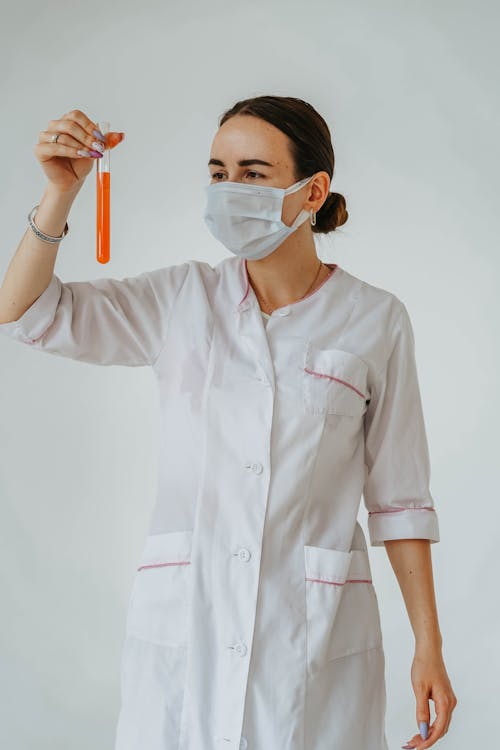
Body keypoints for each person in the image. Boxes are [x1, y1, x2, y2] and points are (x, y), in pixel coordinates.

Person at [0, 96, 457, 750]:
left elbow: (401, 500)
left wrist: (428, 647)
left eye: (253, 173)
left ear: (312, 192)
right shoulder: (179, 301)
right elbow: (24, 314)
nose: (228, 190)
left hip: (313, 641)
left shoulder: (375, 320)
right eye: (218, 173)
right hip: (188, 635)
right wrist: (59, 194)